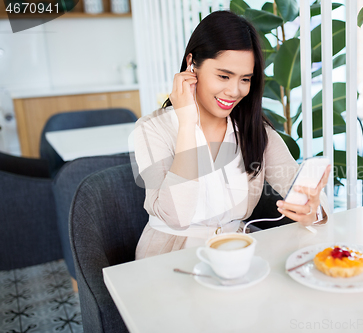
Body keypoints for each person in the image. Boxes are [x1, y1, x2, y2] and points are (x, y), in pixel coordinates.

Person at [133, 10, 331, 260]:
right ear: (192, 64)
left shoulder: (255, 131)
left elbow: (306, 192)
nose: (235, 91)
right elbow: (177, 215)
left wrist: (314, 209)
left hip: (234, 251)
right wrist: (187, 125)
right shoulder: (151, 129)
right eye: (224, 76)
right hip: (167, 258)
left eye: (245, 79)